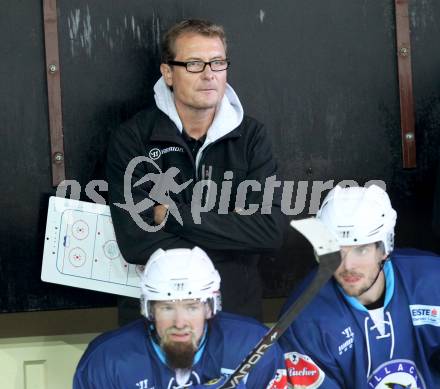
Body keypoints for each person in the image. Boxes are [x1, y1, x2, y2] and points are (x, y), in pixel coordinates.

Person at [106, 18, 285, 321]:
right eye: (193, 64)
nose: (209, 75)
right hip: (155, 321)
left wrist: (172, 215)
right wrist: (232, 237)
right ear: (168, 73)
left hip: (234, 316)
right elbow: (136, 242)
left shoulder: (252, 136)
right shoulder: (133, 137)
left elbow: (269, 232)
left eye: (217, 63)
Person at [279, 185, 440, 388]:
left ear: (385, 248)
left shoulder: (432, 281)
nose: (347, 266)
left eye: (361, 250)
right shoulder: (303, 321)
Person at [73, 247, 284, 388]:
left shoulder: (254, 345)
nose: (180, 322)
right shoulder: (106, 361)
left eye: (191, 307)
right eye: (167, 307)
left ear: (210, 308)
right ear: (150, 310)